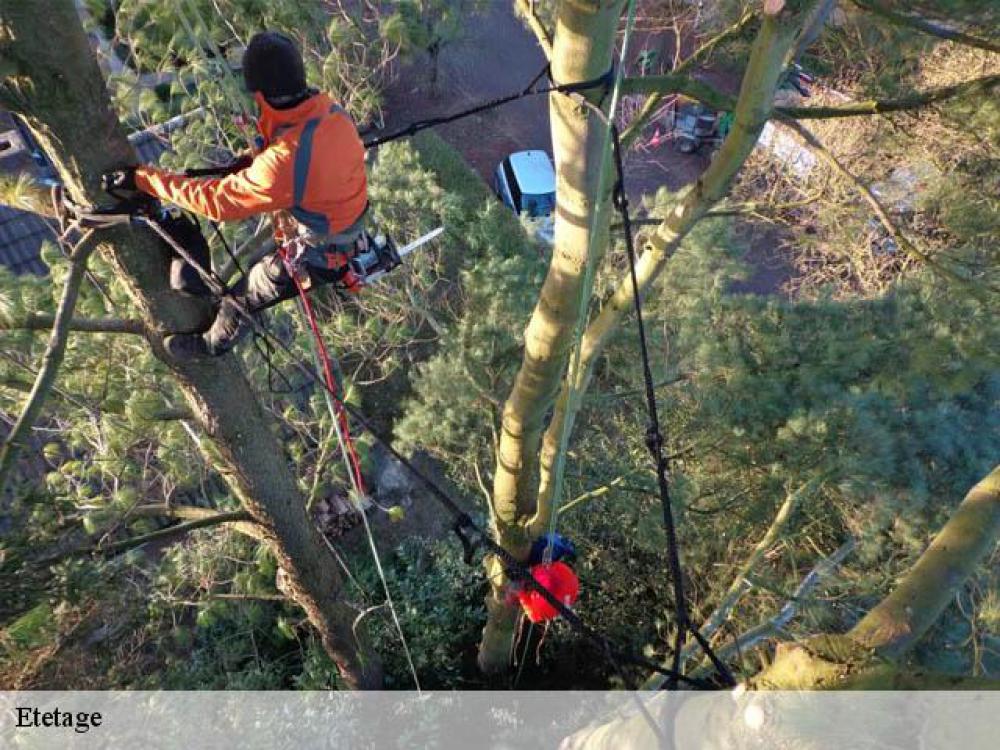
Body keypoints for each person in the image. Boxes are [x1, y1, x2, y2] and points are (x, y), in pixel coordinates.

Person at [104, 31, 369, 360]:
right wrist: (252, 165)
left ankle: (212, 344)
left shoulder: (282, 162)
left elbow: (217, 203)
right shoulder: (331, 111)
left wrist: (144, 179)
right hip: (339, 216)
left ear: (259, 95)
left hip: (322, 246)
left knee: (250, 291)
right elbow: (307, 162)